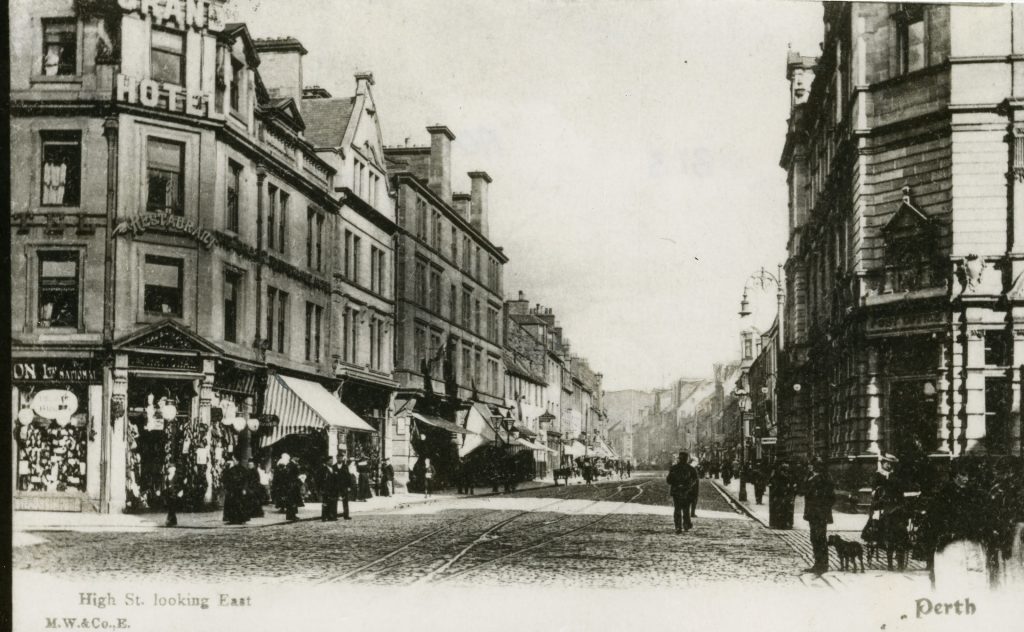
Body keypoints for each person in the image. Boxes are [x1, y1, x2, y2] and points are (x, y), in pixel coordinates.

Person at [869, 454, 909, 571]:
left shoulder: (895, 476)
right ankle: (890, 563)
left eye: (891, 463)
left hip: (898, 509)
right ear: (882, 463)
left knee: (901, 536)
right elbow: (875, 493)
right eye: (887, 463)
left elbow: (901, 491)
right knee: (889, 536)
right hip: (885, 508)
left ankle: (900, 563)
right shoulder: (878, 475)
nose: (889, 465)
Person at [803, 457, 836, 574]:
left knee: (820, 538)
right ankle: (818, 563)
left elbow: (831, 497)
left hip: (820, 514)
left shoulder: (824, 479)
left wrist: (822, 507)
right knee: (814, 538)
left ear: (816, 466)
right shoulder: (812, 477)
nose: (809, 467)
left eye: (811, 465)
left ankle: (823, 564)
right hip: (813, 513)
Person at [667, 451, 699, 534]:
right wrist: (688, 486)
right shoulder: (691, 469)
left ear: (679, 459)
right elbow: (695, 480)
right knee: (686, 509)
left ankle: (678, 526)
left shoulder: (674, 468)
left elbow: (669, 480)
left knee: (677, 509)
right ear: (687, 459)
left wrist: (677, 484)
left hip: (676, 491)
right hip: (686, 491)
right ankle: (685, 525)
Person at [222, 456, 250, 525]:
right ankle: (232, 519)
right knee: (231, 504)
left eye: (234, 460)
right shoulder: (231, 469)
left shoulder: (243, 470)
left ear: (238, 461)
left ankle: (241, 519)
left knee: (239, 504)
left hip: (239, 490)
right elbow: (226, 478)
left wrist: (244, 488)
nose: (233, 461)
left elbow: (246, 480)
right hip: (232, 489)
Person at [768, 462, 794, 529]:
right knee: (781, 509)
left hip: (784, 494)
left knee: (784, 509)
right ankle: (780, 524)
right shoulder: (778, 476)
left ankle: (784, 523)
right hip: (780, 494)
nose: (785, 472)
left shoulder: (787, 476)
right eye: (784, 470)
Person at [162, 463, 184, 527]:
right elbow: (165, 485)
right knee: (170, 507)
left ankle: (168, 520)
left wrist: (181, 491)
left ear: (174, 469)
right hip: (168, 494)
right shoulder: (166, 477)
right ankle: (174, 521)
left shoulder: (177, 476)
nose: (170, 470)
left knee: (172, 507)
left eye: (172, 468)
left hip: (175, 493)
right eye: (169, 469)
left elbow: (181, 485)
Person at [320, 457, 339, 521]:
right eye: (330, 461)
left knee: (332, 502)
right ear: (327, 462)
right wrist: (321, 488)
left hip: (333, 489)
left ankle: (331, 516)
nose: (331, 462)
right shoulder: (323, 470)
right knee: (325, 503)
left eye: (332, 461)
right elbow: (320, 480)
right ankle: (324, 516)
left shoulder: (334, 469)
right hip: (326, 488)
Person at [335, 455, 353, 520]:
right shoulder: (334, 466)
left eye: (341, 458)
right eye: (338, 458)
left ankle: (346, 515)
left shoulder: (345, 467)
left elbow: (348, 477)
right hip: (336, 486)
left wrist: (349, 486)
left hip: (344, 486)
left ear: (342, 459)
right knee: (334, 501)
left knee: (345, 501)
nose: (340, 459)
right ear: (336, 458)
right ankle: (334, 515)